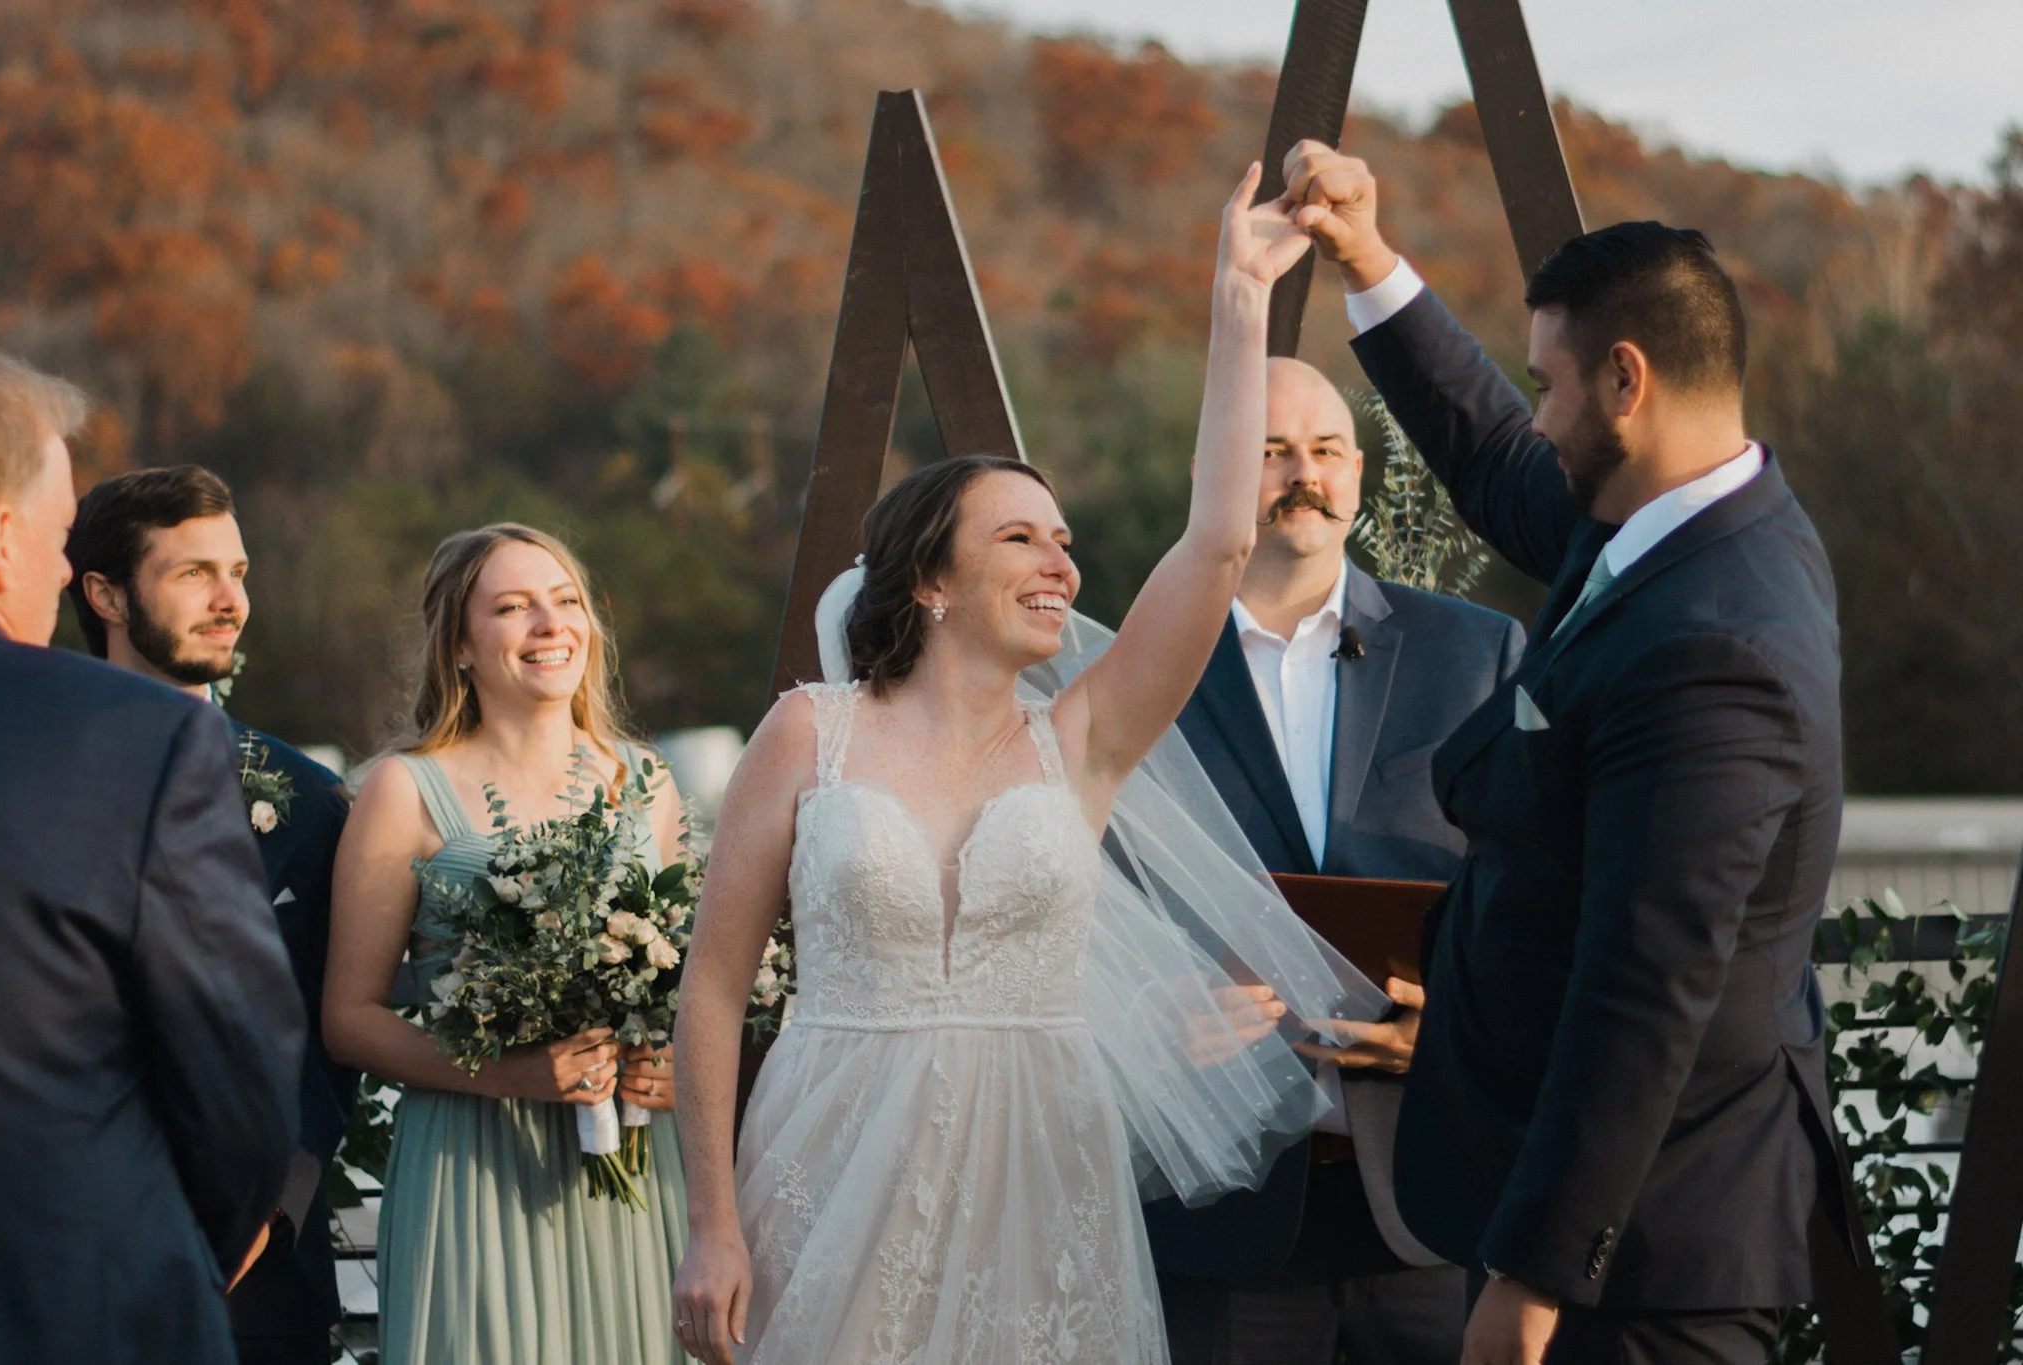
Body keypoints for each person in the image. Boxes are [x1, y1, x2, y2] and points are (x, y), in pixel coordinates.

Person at [669, 166, 1362, 1365]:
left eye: (1065, 540)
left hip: (1042, 1169)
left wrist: (1237, 299)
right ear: (929, 580)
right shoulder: (806, 733)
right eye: (1018, 537)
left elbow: (1216, 539)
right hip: (828, 1157)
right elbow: (712, 992)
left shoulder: (1079, 740)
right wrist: (712, 1227)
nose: (1060, 563)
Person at [1280, 141, 1864, 1365]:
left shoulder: (1717, 642)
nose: (1533, 412)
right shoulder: (1674, 520)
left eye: (1546, 384)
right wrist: (1369, 264)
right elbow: (1498, 463)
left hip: (1638, 1262)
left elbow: (1644, 987)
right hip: (1582, 1226)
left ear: (1624, 380)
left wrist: (1536, 1274)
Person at [1147, 356, 1524, 1365]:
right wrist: (1149, 1016)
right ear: (1212, 470)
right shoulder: (1139, 667)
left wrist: (1455, 1028)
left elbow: (1534, 888)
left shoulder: (1477, 652)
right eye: (1268, 451)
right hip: (1222, 1204)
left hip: (1430, 1193)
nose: (1300, 474)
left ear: (1356, 475)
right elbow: (1087, 895)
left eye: (1322, 450)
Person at [0, 352, 302, 1364]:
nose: (69, 571)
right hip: (74, 1303)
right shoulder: (129, 740)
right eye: (62, 534)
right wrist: (156, 1246)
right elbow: (238, 1073)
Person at [323, 521, 691, 1365]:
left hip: (634, 1158)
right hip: (474, 1168)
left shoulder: (646, 781)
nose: (549, 625)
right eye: (513, 608)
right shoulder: (402, 790)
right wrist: (514, 1072)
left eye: (565, 602)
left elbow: (671, 976)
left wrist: (664, 1060)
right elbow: (350, 1017)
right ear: (459, 643)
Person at [65, 465, 356, 1365]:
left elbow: (328, 1035)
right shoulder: (31, 775)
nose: (229, 599)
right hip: (61, 1250)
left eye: (237, 572)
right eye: (194, 573)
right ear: (106, 593)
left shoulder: (307, 801)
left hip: (255, 1281)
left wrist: (271, 1209)